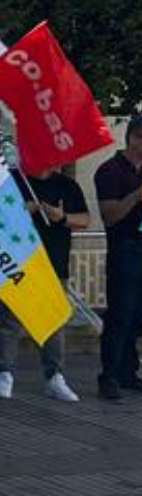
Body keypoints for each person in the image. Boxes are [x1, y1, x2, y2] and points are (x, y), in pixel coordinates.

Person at [0, 163, 87, 403]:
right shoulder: (12, 181)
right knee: (9, 321)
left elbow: (85, 219)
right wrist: (18, 211)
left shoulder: (67, 185)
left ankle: (54, 376)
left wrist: (62, 216)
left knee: (53, 321)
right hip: (17, 261)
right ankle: (4, 373)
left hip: (53, 263)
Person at [94, 118, 142, 402]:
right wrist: (136, 196)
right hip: (125, 248)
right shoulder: (110, 171)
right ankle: (108, 376)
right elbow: (110, 215)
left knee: (137, 315)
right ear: (132, 138)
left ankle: (128, 371)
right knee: (120, 314)